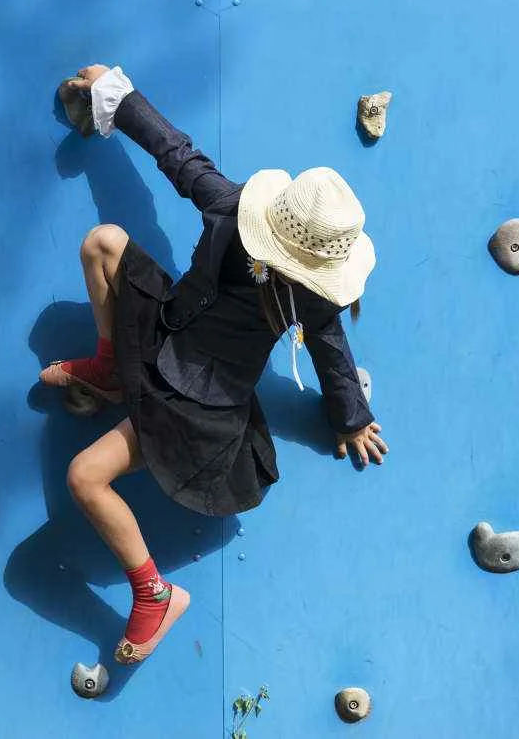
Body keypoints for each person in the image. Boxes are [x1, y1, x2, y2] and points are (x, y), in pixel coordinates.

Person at [42, 63, 387, 667]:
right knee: (103, 243)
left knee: (84, 476)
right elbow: (175, 153)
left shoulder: (311, 298)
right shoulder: (232, 209)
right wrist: (112, 91)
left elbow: (331, 350)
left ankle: (155, 595)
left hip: (195, 408)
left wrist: (352, 418)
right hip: (164, 332)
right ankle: (112, 369)